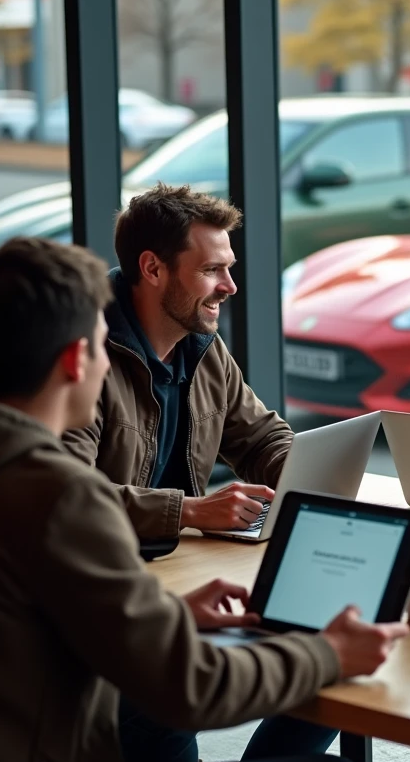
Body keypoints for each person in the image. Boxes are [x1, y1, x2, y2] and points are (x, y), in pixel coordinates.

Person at [0, 238, 409, 762]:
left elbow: (20, 614)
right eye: (101, 345)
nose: (106, 365)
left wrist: (165, 617)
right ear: (76, 360)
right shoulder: (57, 497)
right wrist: (330, 652)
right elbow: (191, 689)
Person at [62, 182, 292, 544]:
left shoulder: (202, 345)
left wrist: (307, 475)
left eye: (228, 268)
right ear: (153, 269)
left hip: (179, 556)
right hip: (105, 559)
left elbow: (261, 440)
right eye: (211, 270)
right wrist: (190, 511)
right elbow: (69, 493)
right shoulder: (82, 357)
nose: (230, 286)